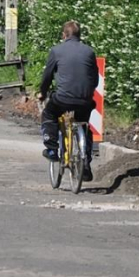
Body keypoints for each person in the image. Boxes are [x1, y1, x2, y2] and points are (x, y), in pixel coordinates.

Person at [38, 20, 99, 181]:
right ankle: (85, 163)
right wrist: (87, 94)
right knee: (84, 126)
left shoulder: (56, 51)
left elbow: (47, 76)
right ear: (79, 36)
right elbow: (95, 80)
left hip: (62, 99)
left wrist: (42, 93)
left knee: (49, 114)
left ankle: (51, 149)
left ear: (64, 35)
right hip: (84, 100)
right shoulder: (89, 52)